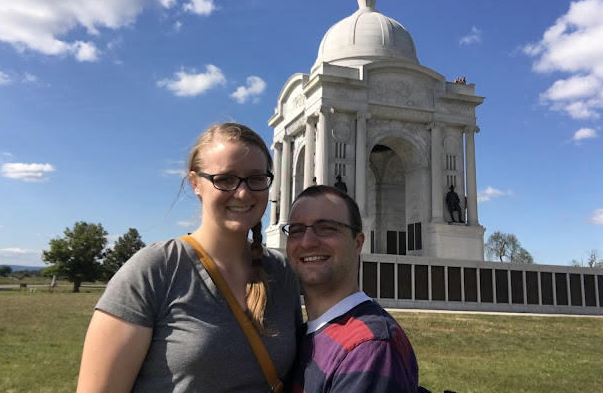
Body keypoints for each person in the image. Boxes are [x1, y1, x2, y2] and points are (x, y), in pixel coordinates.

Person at [77, 123, 303, 392]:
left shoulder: (281, 272)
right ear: (196, 183)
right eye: (226, 179)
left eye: (256, 178)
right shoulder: (154, 270)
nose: (243, 192)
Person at [284, 185, 418, 392]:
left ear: (358, 243)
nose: (308, 242)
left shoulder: (369, 349)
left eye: (327, 227)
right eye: (296, 230)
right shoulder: (303, 334)